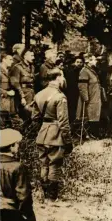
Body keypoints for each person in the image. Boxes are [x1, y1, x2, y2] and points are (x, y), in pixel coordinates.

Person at [31, 68, 73, 200]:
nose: (64, 80)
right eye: (63, 77)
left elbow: (35, 118)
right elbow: (64, 123)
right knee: (54, 164)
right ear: (58, 77)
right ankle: (52, 197)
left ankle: (44, 194)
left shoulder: (39, 94)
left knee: (44, 164)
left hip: (42, 134)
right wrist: (68, 141)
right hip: (55, 135)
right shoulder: (60, 97)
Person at [76, 54, 102, 139]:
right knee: (91, 115)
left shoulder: (91, 70)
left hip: (95, 97)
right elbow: (82, 86)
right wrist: (86, 99)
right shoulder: (84, 71)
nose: (96, 61)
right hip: (90, 98)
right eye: (94, 60)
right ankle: (90, 134)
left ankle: (94, 134)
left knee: (95, 114)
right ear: (89, 61)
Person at [9, 48, 35, 124]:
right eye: (31, 55)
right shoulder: (17, 67)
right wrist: (22, 97)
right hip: (23, 94)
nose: (33, 57)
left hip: (31, 93)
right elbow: (15, 83)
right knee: (24, 115)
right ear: (25, 56)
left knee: (31, 115)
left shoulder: (32, 67)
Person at [1, 53, 21, 130]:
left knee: (11, 120)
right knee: (3, 122)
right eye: (10, 59)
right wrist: (6, 92)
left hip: (10, 99)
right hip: (2, 99)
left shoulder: (8, 71)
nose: (12, 61)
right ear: (3, 59)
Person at [63, 55, 84, 124]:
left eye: (81, 62)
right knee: (71, 109)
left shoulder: (83, 72)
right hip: (71, 93)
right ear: (74, 62)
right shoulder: (70, 71)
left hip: (80, 92)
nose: (79, 64)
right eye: (77, 62)